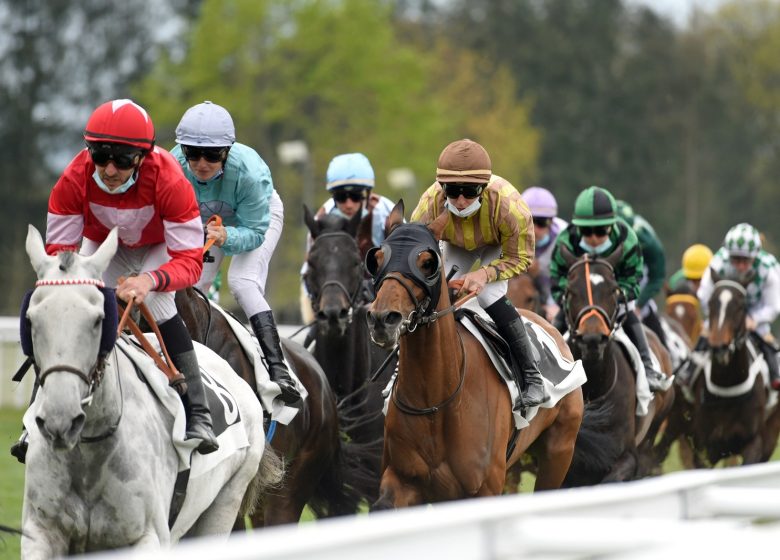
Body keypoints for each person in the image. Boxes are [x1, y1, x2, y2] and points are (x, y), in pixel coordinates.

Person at [11, 99, 218, 463]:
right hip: (105, 244)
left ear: (142, 157)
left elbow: (190, 262)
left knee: (159, 302)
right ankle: (35, 416)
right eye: (100, 156)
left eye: (122, 159)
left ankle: (198, 412)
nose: (109, 168)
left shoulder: (170, 180)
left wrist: (150, 280)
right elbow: (62, 254)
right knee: (70, 303)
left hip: (158, 246)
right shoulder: (72, 180)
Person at [172, 101, 299, 405]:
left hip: (257, 218)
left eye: (213, 155)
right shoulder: (171, 166)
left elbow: (255, 232)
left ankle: (277, 367)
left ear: (227, 151)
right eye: (192, 153)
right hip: (207, 221)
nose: (201, 163)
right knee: (190, 285)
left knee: (242, 281)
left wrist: (226, 236)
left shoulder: (250, 174)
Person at [411, 138, 548, 409]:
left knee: (489, 296)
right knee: (431, 292)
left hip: (496, 246)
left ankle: (532, 378)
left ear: (483, 188)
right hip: (453, 243)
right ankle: (401, 370)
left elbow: (521, 258)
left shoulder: (511, 207)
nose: (460, 200)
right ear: (442, 187)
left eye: (470, 190)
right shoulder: (429, 203)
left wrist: (484, 275)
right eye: (452, 191)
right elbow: (413, 249)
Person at [549, 186, 669, 392]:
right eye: (587, 231)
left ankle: (648, 367)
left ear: (612, 226)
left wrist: (617, 294)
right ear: (577, 228)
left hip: (613, 297)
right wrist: (567, 298)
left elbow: (635, 276)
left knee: (630, 315)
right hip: (579, 299)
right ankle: (544, 366)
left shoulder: (628, 239)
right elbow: (556, 277)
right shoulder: (565, 241)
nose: (594, 237)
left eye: (601, 231)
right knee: (557, 321)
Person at [682, 223, 780, 390]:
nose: (741, 265)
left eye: (746, 260)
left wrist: (754, 320)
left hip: (755, 315)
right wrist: (718, 318)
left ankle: (775, 376)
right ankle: (688, 374)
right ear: (728, 255)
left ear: (755, 256)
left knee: (770, 344)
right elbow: (704, 297)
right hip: (724, 314)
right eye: (736, 259)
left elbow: (774, 306)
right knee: (705, 336)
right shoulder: (717, 264)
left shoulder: (768, 269)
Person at [300, 152, 396, 322]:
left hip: (384, 298)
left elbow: (402, 265)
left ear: (368, 194)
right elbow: (308, 274)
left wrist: (374, 289)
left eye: (356, 196)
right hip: (334, 301)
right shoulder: (320, 219)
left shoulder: (387, 214)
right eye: (341, 197)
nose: (349, 204)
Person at [616, 200, 667, 347]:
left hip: (639, 282)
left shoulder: (649, 243)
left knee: (647, 318)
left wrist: (639, 305)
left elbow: (657, 278)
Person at [520, 186, 568, 323]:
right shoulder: (510, 234)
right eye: (529, 221)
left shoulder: (565, 238)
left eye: (541, 223)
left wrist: (554, 304)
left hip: (559, 294)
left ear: (552, 221)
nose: (535, 229)